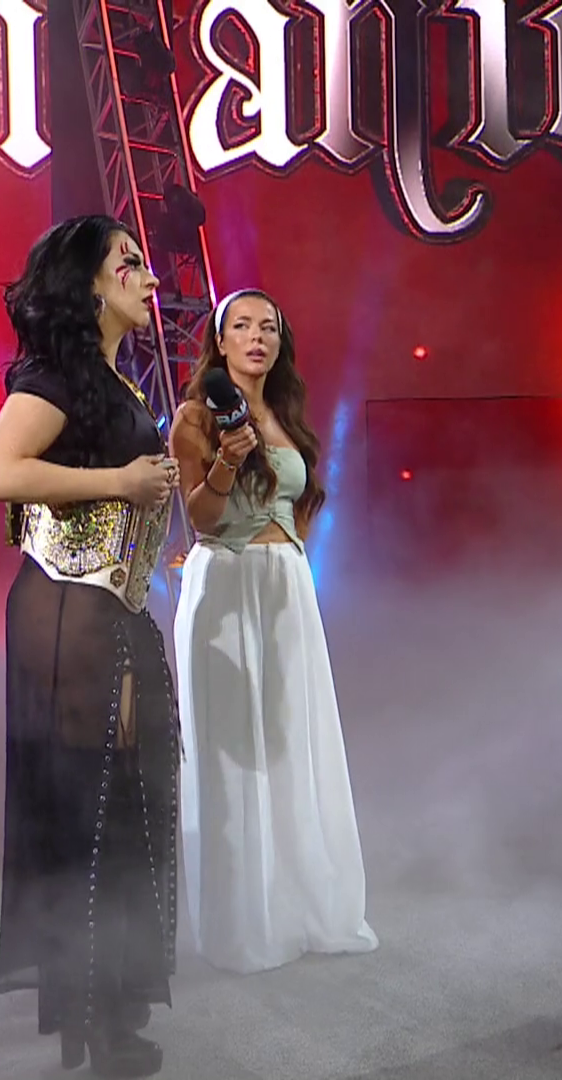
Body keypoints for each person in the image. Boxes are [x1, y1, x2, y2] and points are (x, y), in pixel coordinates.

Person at [0, 215, 181, 1078]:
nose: (149, 277)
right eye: (128, 263)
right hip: (68, 608)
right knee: (89, 804)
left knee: (120, 800)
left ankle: (111, 1006)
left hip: (109, 606)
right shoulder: (55, 374)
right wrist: (121, 481)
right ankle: (96, 1022)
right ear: (88, 283)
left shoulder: (111, 378)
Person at [167, 288, 379, 975]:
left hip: (285, 585)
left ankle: (304, 904)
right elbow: (200, 517)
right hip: (225, 582)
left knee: (293, 739)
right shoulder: (195, 417)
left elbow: (302, 502)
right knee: (233, 749)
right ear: (220, 341)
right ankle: (244, 921)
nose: (257, 337)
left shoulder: (286, 416)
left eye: (269, 327)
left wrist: (290, 561)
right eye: (242, 326)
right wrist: (228, 460)